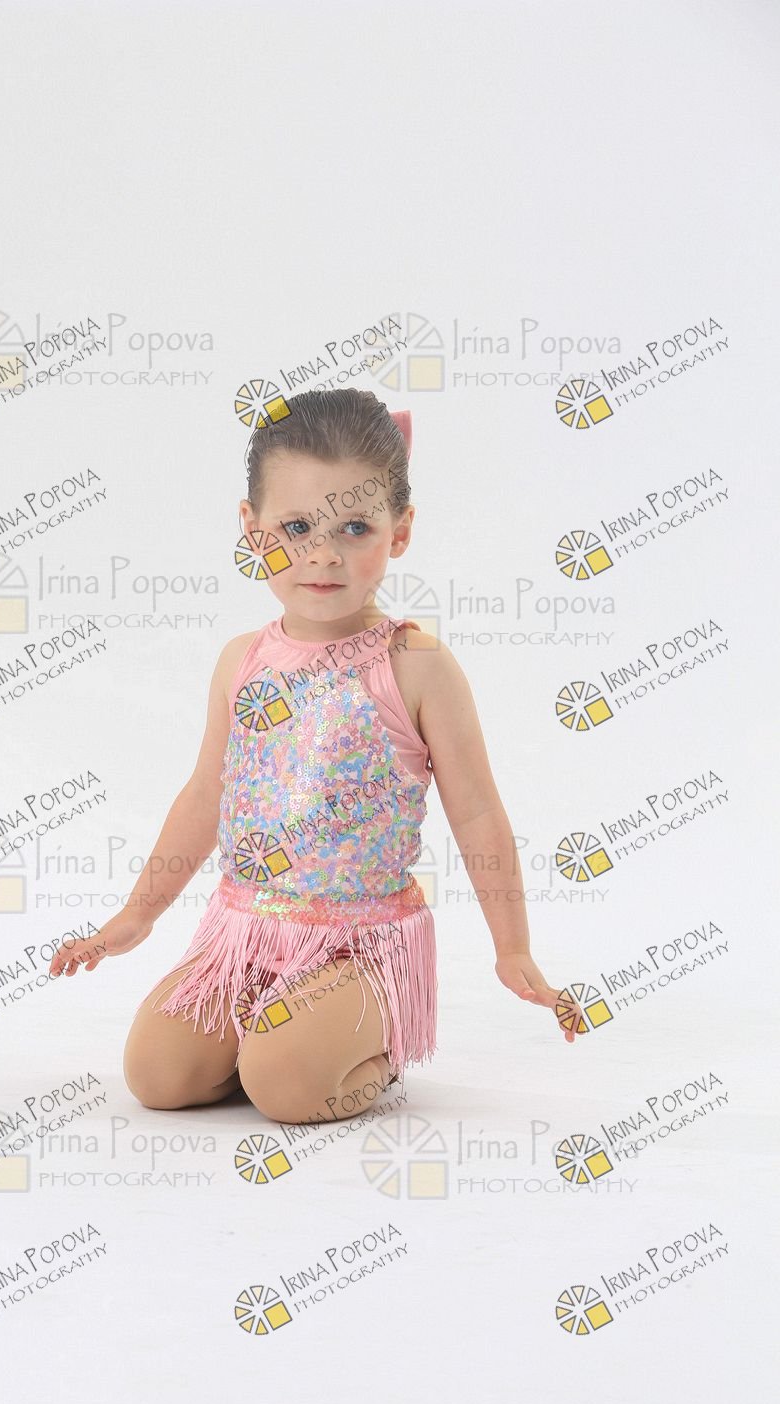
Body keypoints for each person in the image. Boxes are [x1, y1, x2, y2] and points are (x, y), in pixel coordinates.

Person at [49, 389, 582, 1126]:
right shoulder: (241, 661)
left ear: (400, 531)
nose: (324, 555)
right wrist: (134, 918)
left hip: (360, 942)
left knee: (288, 1089)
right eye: (296, 527)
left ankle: (362, 1042)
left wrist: (512, 947)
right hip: (246, 930)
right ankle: (279, 1037)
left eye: (355, 527)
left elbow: (478, 811)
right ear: (252, 529)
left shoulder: (416, 665)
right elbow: (207, 794)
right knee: (159, 1077)